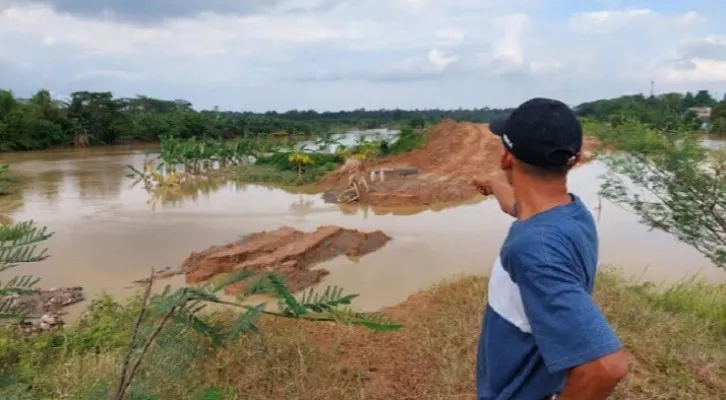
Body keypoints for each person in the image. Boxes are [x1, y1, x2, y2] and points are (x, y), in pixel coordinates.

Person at [471, 97, 628, 400]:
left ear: (506, 158)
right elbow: (517, 206)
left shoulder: (534, 249)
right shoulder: (569, 213)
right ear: (576, 158)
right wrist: (493, 185)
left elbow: (606, 367)